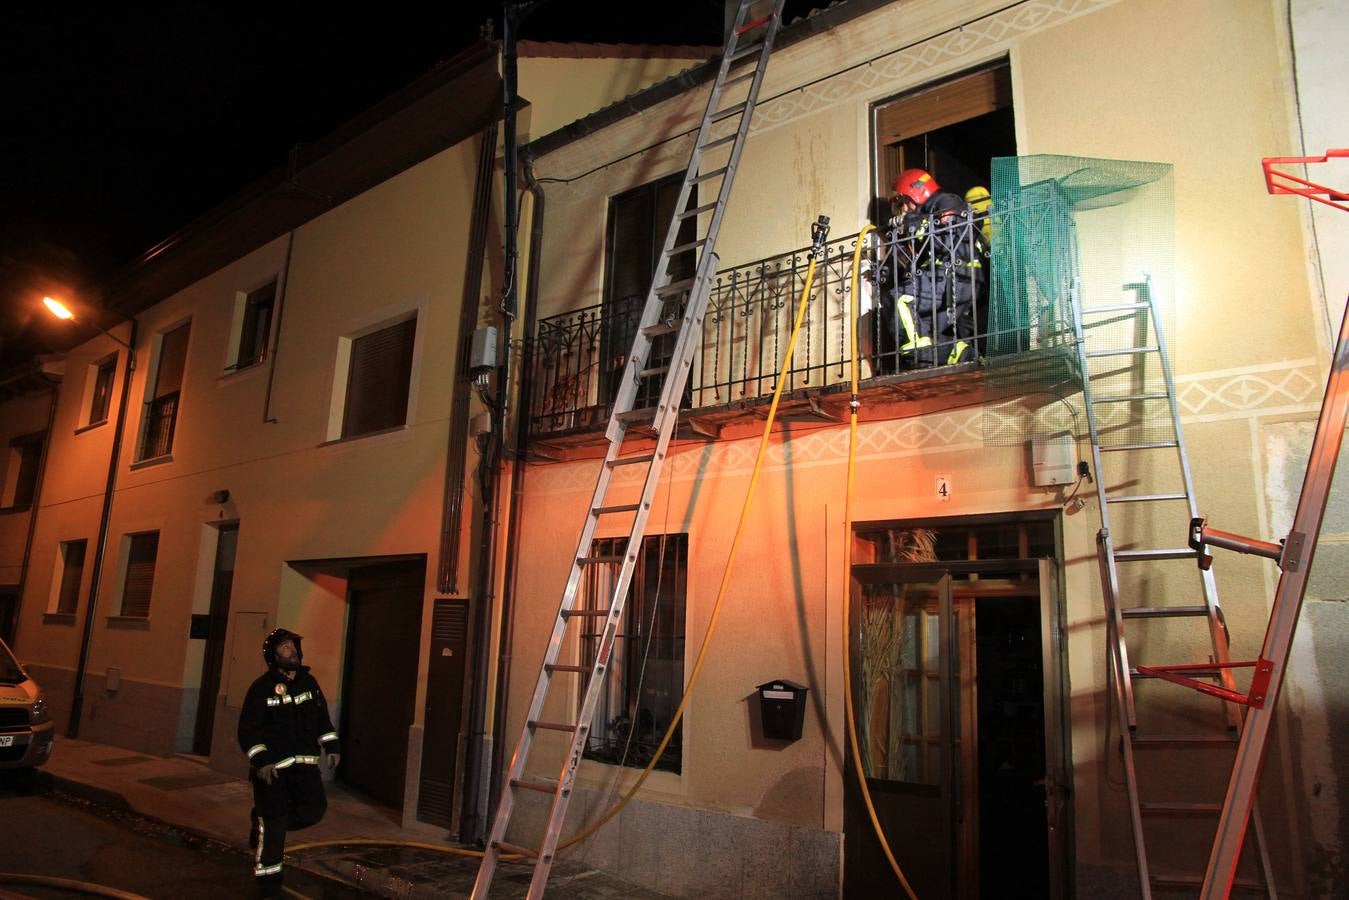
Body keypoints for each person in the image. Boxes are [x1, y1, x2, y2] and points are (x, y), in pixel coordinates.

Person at [237, 628, 340, 898]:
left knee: (314, 810)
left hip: (304, 770)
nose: (291, 650)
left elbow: (322, 720)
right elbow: (249, 731)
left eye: (293, 645)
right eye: (284, 647)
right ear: (273, 655)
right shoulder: (261, 689)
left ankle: (261, 822)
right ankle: (269, 887)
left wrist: (332, 746)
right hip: (272, 774)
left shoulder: (309, 683)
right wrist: (261, 761)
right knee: (274, 832)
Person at [877, 168, 988, 368]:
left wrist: (912, 224)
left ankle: (917, 355)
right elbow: (916, 255)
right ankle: (964, 356)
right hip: (945, 278)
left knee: (899, 299)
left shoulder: (946, 202)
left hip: (956, 273)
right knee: (927, 329)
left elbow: (948, 237)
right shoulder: (924, 215)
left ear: (915, 192)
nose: (903, 210)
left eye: (903, 203)